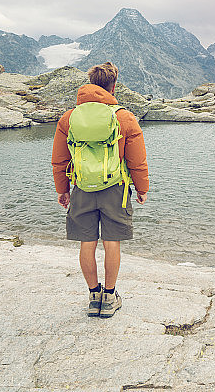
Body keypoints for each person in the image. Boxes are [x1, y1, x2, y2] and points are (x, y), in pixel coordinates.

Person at [51, 62, 149, 318]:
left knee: (87, 242)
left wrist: (63, 189)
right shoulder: (124, 117)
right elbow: (136, 161)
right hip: (115, 187)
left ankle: (93, 295)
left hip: (81, 186)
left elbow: (60, 160)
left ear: (89, 84)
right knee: (111, 241)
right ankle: (110, 297)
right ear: (113, 86)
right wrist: (142, 188)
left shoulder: (69, 117)